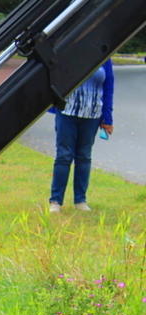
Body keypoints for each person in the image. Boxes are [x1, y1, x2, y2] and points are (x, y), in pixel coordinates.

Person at [49, 59, 114, 213]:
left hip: (92, 115)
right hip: (67, 113)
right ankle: (56, 201)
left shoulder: (104, 57)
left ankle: (80, 201)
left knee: (84, 157)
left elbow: (108, 87)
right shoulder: (69, 51)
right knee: (64, 156)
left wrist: (107, 119)